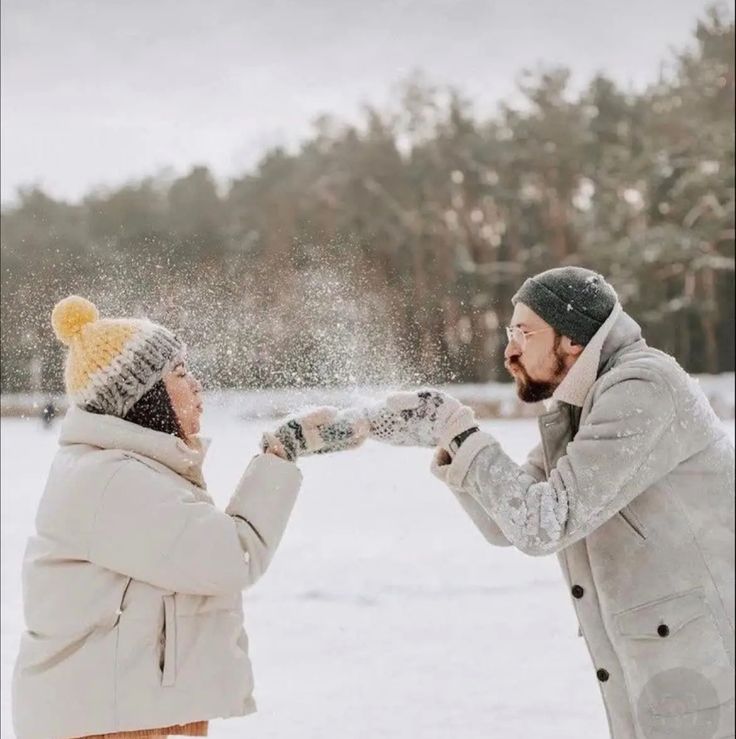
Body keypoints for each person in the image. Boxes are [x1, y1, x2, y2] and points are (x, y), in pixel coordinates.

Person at [366, 267, 735, 739]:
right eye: (509, 331)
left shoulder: (643, 388)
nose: (510, 349)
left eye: (524, 332)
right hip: (661, 673)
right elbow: (509, 523)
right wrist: (448, 443)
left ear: (574, 340)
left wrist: (463, 434)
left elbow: (542, 524)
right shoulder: (581, 409)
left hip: (705, 673)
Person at [12, 295, 361, 739]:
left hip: (123, 711)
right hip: (109, 722)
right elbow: (230, 557)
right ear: (140, 398)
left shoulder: (127, 469)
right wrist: (279, 456)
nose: (197, 386)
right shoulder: (112, 480)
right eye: (179, 373)